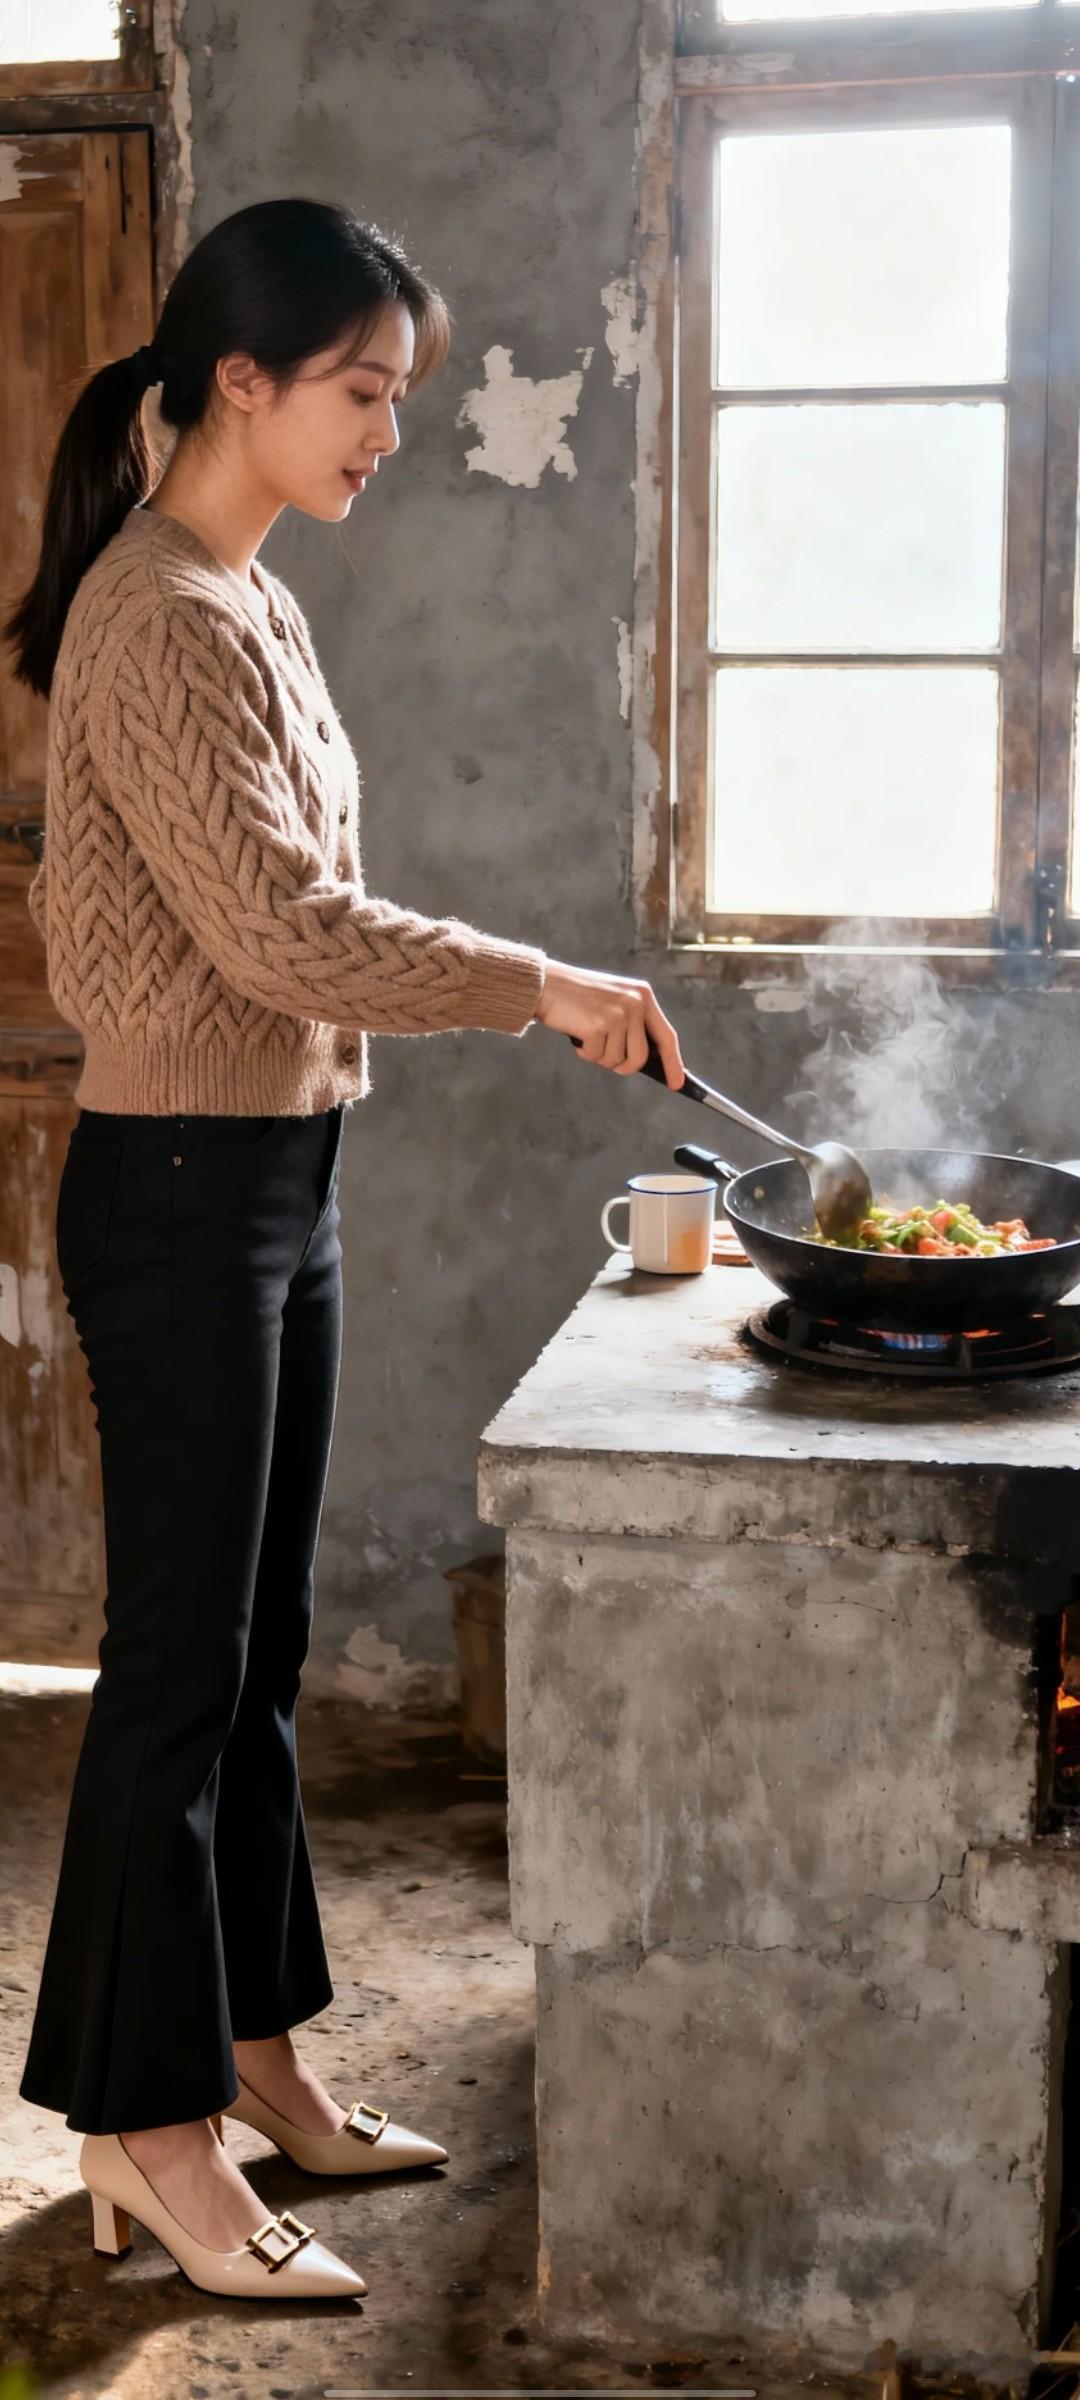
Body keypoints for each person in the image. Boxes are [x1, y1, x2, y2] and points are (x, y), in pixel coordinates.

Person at [4, 196, 685, 2306]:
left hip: (271, 1182)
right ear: (245, 381)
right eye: (368, 391)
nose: (391, 428)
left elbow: (291, 934)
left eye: (402, 393)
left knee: (256, 1662)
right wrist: (545, 981)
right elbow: (285, 932)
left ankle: (258, 2061)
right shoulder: (159, 615)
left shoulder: (253, 599)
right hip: (184, 1190)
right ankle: (141, 2132)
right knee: (175, 1681)